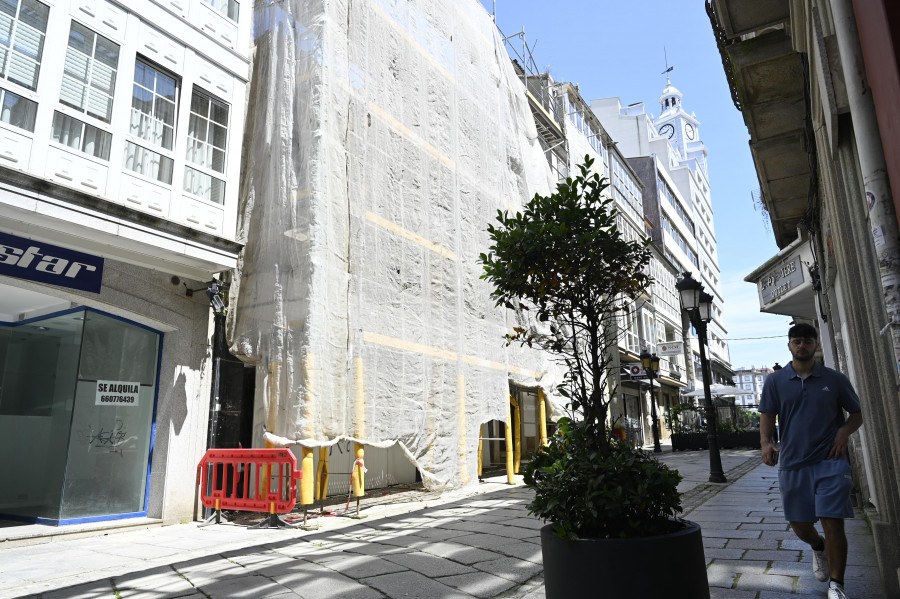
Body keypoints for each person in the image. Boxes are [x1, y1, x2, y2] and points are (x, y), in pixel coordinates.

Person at [759, 323, 863, 599]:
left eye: (807, 341)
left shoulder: (835, 379)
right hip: (793, 462)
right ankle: (818, 547)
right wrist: (766, 442)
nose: (802, 345)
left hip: (831, 461)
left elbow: (856, 414)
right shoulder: (775, 381)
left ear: (816, 344)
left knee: (833, 521)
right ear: (789, 345)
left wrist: (843, 431)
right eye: (797, 341)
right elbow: (768, 414)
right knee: (799, 524)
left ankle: (836, 586)